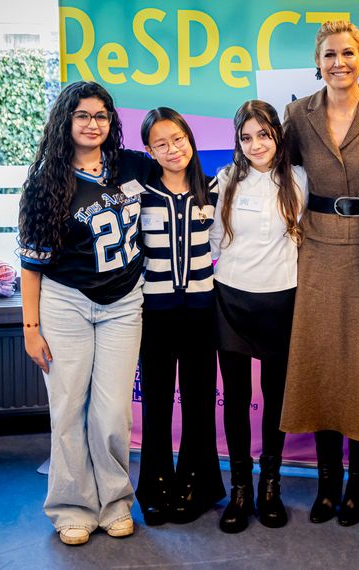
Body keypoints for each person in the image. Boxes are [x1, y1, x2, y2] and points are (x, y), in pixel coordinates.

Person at [280, 19, 359, 526]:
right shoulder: (296, 114)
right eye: (330, 54)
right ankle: (327, 486)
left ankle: (358, 487)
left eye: (348, 53)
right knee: (322, 366)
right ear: (318, 62)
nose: (339, 63)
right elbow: (278, 176)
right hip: (315, 247)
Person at [18, 81, 155, 546]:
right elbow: (31, 265)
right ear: (66, 121)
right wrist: (31, 328)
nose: (93, 124)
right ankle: (71, 506)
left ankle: (115, 502)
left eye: (101, 115)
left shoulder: (131, 165)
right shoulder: (45, 181)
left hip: (123, 302)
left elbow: (179, 172)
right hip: (65, 302)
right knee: (68, 408)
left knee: (113, 412)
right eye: (83, 116)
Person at [209, 100, 307, 533]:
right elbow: (212, 241)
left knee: (275, 400)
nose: (255, 144)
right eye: (246, 137)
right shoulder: (227, 180)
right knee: (234, 399)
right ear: (238, 141)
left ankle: (270, 486)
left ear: (277, 136)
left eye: (264, 135)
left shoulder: (299, 180)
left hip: (281, 301)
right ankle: (240, 491)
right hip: (230, 300)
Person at [135, 107, 225, 527]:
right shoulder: (138, 194)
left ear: (191, 139)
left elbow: (223, 247)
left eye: (179, 140)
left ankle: (197, 484)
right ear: (148, 151)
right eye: (161, 144)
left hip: (202, 313)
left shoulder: (213, 190)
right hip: (154, 314)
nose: (173, 150)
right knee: (155, 403)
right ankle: (153, 486)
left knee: (199, 401)